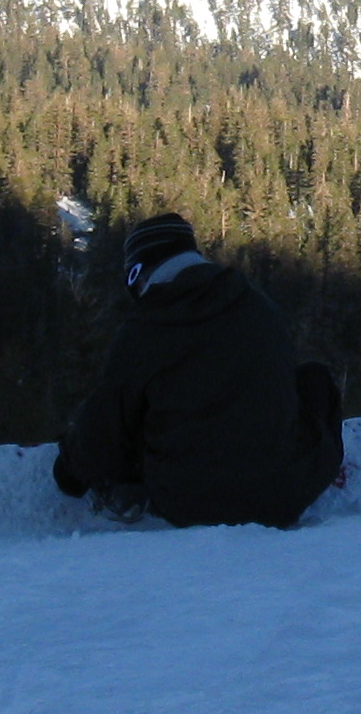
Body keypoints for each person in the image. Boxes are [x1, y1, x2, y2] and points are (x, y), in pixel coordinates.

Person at [53, 214, 344, 529]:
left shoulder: (145, 329)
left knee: (136, 412)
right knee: (314, 379)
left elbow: (105, 423)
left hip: (188, 503)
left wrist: (68, 473)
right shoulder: (258, 306)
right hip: (283, 496)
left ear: (141, 270)